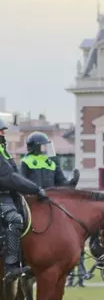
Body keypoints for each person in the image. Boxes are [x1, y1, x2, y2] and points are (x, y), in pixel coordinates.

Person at [0, 118, 48, 280]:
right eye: (1, 131)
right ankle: (11, 265)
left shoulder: (3, 151)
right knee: (15, 219)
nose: (3, 134)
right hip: (2, 195)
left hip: (8, 195)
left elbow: (15, 176)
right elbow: (8, 177)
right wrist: (35, 189)